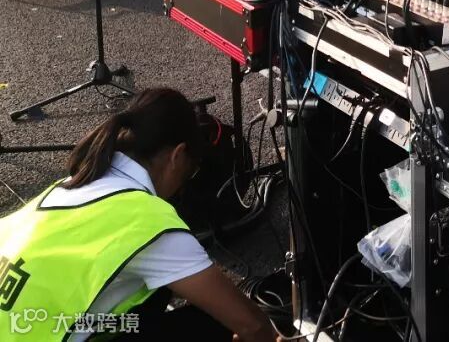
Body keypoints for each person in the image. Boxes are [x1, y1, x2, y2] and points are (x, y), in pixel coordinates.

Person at [0, 88, 280, 341]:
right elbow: (252, 326)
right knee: (213, 325)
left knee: (156, 292)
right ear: (178, 156)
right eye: (190, 171)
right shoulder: (150, 223)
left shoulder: (69, 186)